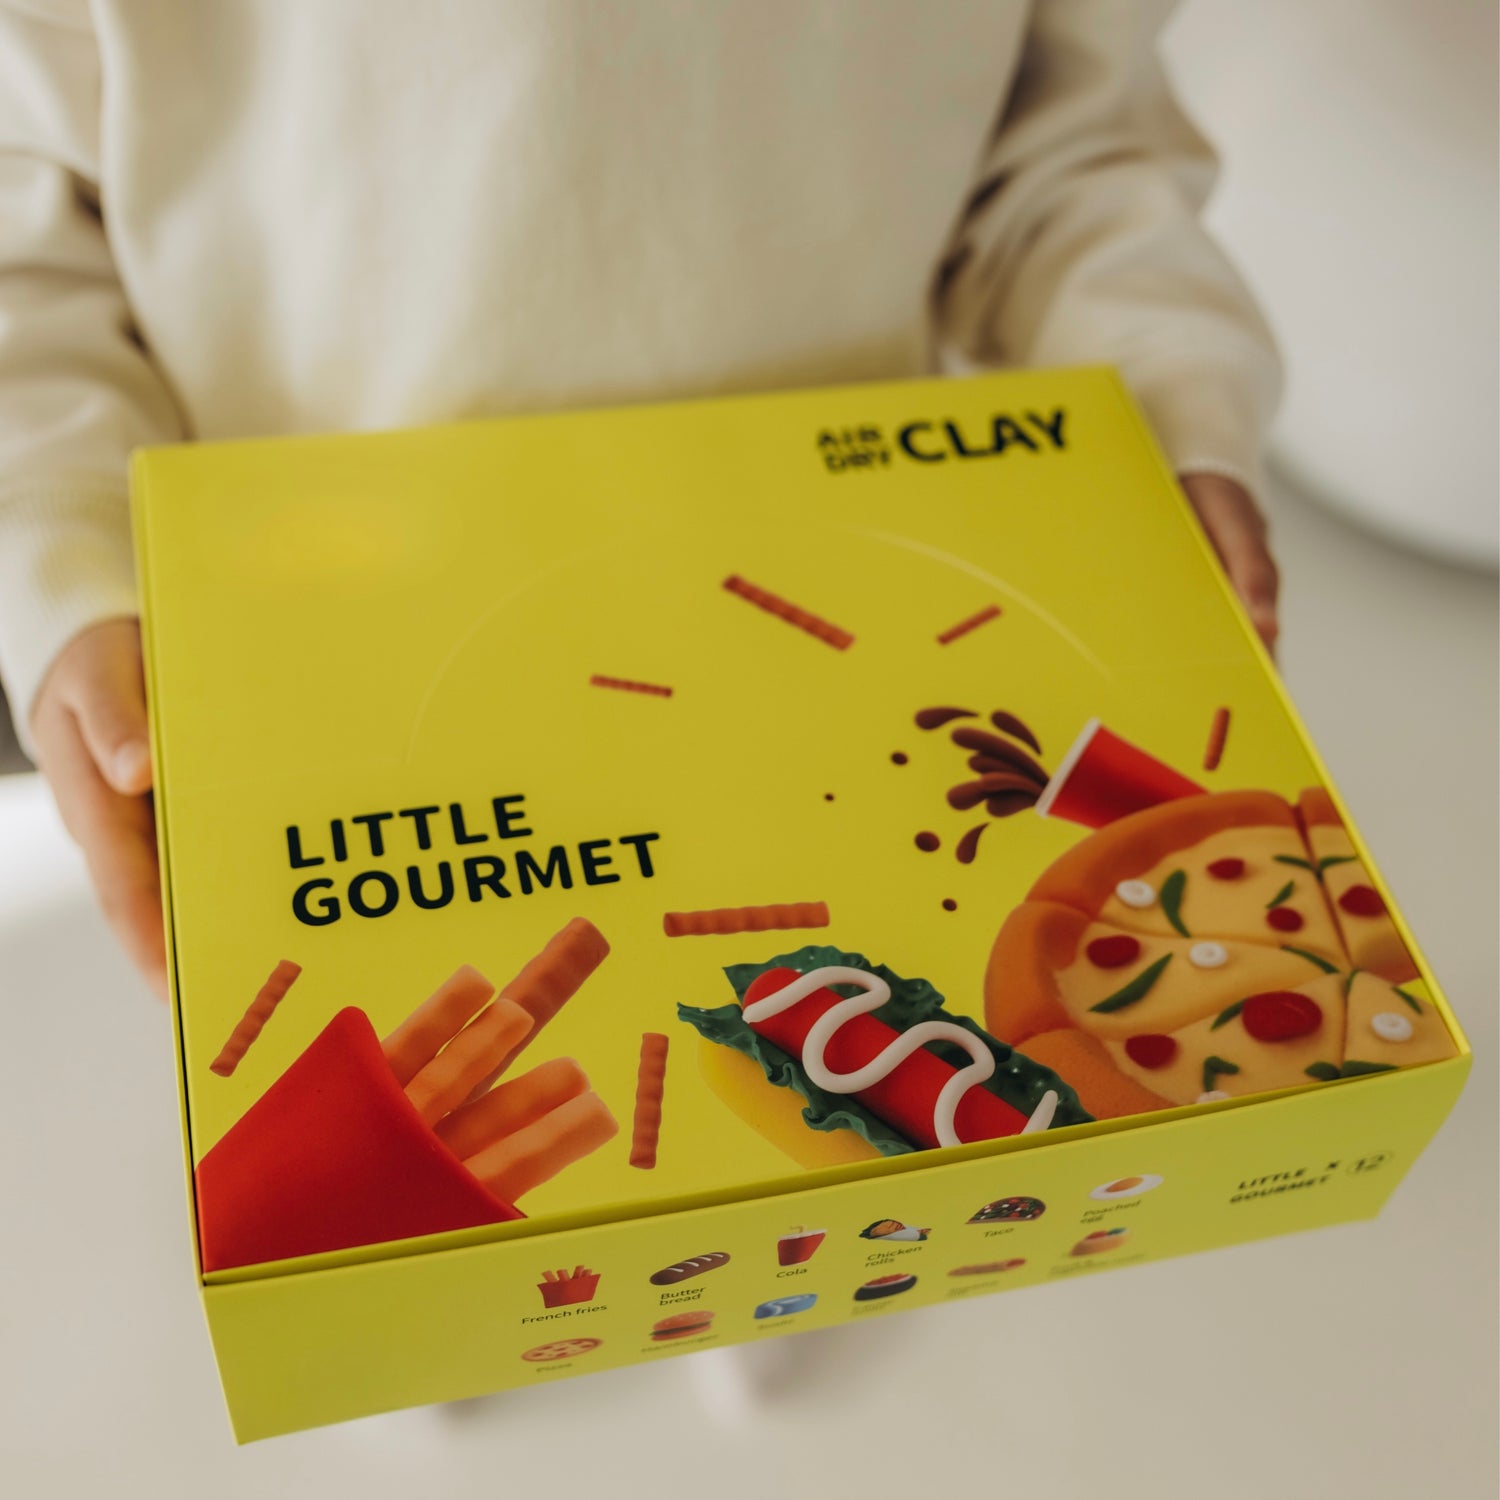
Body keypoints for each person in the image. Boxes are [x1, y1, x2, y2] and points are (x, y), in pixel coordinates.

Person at [0, 1, 1281, 999]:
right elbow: (27, 216)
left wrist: (1163, 391)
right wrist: (63, 542)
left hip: (837, 618)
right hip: (325, 642)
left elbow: (1063, 146)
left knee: (830, 1093)